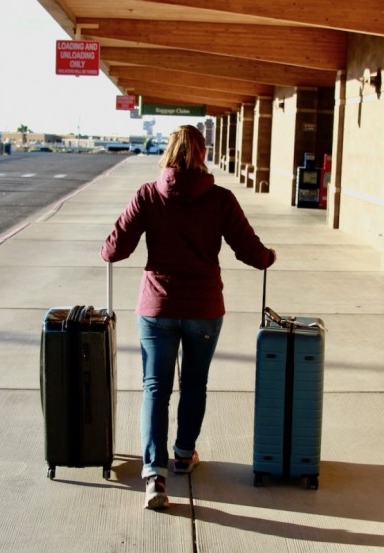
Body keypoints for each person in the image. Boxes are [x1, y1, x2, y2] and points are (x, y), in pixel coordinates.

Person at [100, 125, 276, 510]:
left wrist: (106, 248)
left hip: (157, 308)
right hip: (203, 309)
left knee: (155, 388)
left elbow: (115, 250)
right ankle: (183, 455)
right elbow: (248, 250)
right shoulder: (220, 199)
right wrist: (268, 257)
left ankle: (154, 475)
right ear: (203, 153)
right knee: (195, 384)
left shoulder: (148, 194)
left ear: (168, 152)